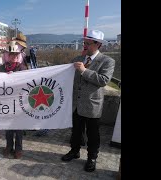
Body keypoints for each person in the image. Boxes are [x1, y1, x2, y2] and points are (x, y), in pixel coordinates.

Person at [61, 30, 115, 172]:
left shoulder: (108, 61)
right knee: (76, 131)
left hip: (92, 105)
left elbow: (103, 80)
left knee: (93, 134)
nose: (84, 45)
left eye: (88, 43)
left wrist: (84, 71)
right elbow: (64, 72)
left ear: (98, 44)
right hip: (76, 104)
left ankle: (92, 158)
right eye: (84, 42)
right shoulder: (78, 58)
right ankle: (74, 151)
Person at [0, 32, 27, 159]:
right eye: (11, 54)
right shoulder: (0, 69)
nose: (13, 57)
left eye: (16, 54)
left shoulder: (22, 68)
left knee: (19, 128)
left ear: (19, 55)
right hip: (6, 102)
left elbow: (26, 85)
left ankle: (18, 148)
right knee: (8, 127)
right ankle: (9, 146)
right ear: (6, 55)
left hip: (19, 102)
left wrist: (15, 78)